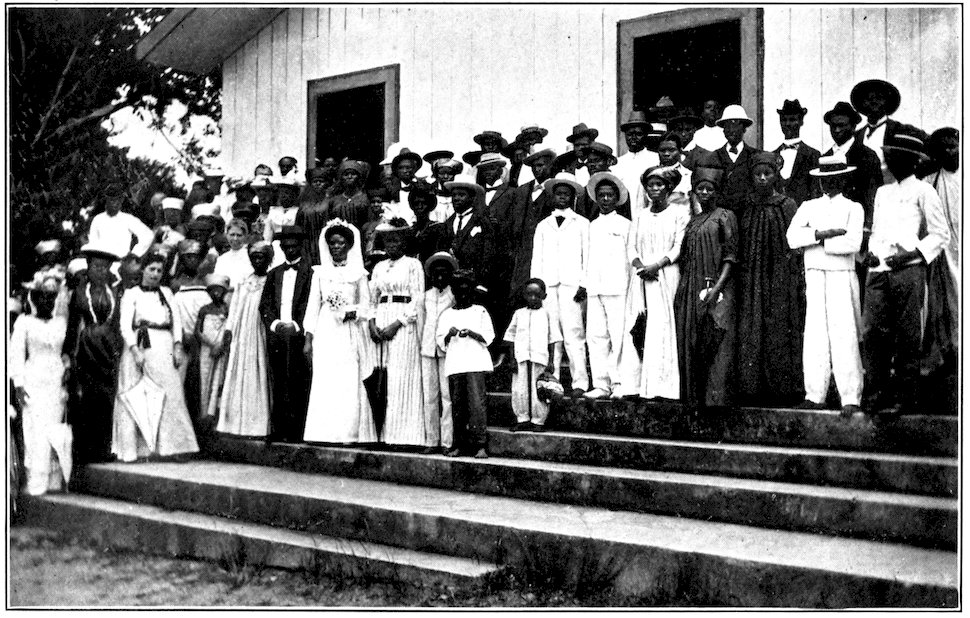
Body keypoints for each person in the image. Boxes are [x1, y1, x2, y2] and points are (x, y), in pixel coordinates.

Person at [860, 132, 949, 417]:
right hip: (878, 271)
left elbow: (940, 234)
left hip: (907, 270)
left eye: (895, 157)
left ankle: (904, 397)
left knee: (907, 334)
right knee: (873, 332)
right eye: (888, 156)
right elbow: (877, 230)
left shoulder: (924, 191)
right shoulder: (883, 192)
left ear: (911, 161)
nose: (889, 162)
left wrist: (910, 255)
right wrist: (870, 253)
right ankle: (876, 393)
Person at [785, 155, 865, 417]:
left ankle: (850, 396)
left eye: (834, 179)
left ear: (843, 179)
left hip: (842, 273)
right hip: (815, 273)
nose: (829, 184)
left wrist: (815, 240)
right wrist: (823, 234)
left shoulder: (854, 208)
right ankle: (815, 394)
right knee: (815, 334)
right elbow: (792, 237)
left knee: (844, 332)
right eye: (824, 180)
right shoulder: (808, 206)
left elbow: (853, 243)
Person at [111, 252, 199, 462]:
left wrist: (177, 346)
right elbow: (125, 325)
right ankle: (136, 450)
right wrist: (135, 350)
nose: (155, 274)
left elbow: (176, 321)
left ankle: (174, 447)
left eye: (159, 270)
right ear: (143, 270)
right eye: (151, 269)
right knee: (136, 395)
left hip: (163, 344)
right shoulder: (131, 294)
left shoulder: (166, 293)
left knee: (171, 393)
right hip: (139, 345)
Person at [736, 152, 805, 406]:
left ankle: (782, 389)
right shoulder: (747, 205)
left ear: (776, 175)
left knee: (778, 324)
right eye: (758, 174)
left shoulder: (787, 204)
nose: (763, 178)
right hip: (752, 276)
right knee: (752, 324)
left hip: (779, 275)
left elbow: (795, 244)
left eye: (768, 173)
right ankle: (751, 388)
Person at [302, 220, 378, 444]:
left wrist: (350, 313)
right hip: (326, 329)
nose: (336, 247)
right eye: (332, 243)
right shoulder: (320, 273)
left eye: (341, 243)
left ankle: (348, 433)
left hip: (349, 330)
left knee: (347, 379)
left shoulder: (359, 274)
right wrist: (308, 338)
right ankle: (323, 433)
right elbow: (312, 307)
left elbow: (367, 306)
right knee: (326, 378)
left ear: (349, 245)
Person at [619, 166, 689, 400]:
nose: (654, 189)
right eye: (650, 185)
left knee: (662, 328)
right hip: (641, 277)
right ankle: (636, 385)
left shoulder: (679, 213)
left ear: (668, 188)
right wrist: (641, 266)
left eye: (659, 185)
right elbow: (631, 246)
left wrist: (656, 266)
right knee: (638, 325)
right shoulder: (640, 215)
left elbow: (678, 247)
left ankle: (663, 388)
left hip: (665, 275)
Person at [674, 167, 738, 409]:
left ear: (717, 192)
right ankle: (695, 402)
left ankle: (716, 402)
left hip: (717, 286)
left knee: (717, 339)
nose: (704, 193)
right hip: (691, 287)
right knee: (693, 342)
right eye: (699, 189)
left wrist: (717, 288)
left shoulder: (725, 216)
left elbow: (730, 257)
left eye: (709, 189)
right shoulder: (693, 221)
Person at [62, 241, 124, 464]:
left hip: (109, 347)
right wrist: (68, 352)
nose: (101, 271)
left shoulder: (114, 293)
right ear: (88, 267)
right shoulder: (80, 292)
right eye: (97, 267)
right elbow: (72, 325)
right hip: (87, 347)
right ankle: (84, 451)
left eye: (105, 267)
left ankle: (103, 448)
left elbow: (117, 322)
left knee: (107, 398)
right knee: (87, 397)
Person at [10, 274, 71, 495]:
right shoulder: (24, 322)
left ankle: (54, 480)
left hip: (55, 380)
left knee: (54, 428)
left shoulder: (61, 322)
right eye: (43, 297)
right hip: (33, 379)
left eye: (51, 297)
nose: (48, 301)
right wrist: (18, 384)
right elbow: (16, 354)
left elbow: (66, 351)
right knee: (35, 429)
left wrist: (67, 368)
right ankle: (36, 481)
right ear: (34, 299)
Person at [531, 172, 590, 397]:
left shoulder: (582, 223)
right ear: (552, 196)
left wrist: (583, 283)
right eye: (559, 194)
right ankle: (551, 379)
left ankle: (580, 381)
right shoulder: (543, 225)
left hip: (572, 285)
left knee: (574, 333)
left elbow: (587, 255)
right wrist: (537, 286)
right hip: (548, 286)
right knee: (551, 334)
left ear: (573, 197)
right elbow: (537, 258)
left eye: (567, 194)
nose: (562, 197)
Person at [369, 219, 427, 446]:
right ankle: (383, 435)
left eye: (396, 240)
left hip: (403, 322)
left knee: (402, 377)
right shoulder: (379, 267)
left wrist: (397, 323)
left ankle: (405, 436)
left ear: (404, 242)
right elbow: (371, 298)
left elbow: (418, 299)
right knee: (383, 376)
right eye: (388, 241)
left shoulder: (413, 264)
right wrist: (372, 323)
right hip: (381, 320)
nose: (391, 245)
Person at [259, 225, 313, 442]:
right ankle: (280, 429)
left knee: (298, 380)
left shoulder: (311, 272)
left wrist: (297, 326)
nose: (290, 250)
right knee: (278, 379)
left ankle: (297, 431)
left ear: (301, 246)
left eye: (294, 246)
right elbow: (265, 304)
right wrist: (275, 324)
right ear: (281, 247)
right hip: (278, 334)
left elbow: (311, 303)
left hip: (299, 334)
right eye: (286, 247)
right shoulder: (274, 273)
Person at [216, 242, 274, 436]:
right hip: (242, 332)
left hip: (260, 330)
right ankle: (235, 424)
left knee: (259, 370)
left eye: (261, 257)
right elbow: (234, 307)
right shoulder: (243, 280)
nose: (257, 261)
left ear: (268, 259)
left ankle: (257, 425)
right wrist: (229, 329)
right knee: (239, 369)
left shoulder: (271, 279)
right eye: (254, 257)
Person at [436, 269, 495, 459]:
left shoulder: (480, 311)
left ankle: (480, 445)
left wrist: (472, 333)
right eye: (458, 290)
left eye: (466, 290)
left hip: (475, 363)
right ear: (453, 292)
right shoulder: (446, 315)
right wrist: (449, 334)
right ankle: (459, 444)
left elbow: (489, 336)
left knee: (477, 405)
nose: (463, 294)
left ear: (471, 290)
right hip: (456, 364)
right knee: (458, 406)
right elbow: (441, 342)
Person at [583, 172, 632, 399]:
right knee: (596, 337)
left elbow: (630, 259)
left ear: (616, 198)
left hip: (618, 287)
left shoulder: (626, 225)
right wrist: (586, 284)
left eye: (609, 195)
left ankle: (619, 382)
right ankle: (601, 384)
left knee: (618, 336)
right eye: (601, 195)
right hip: (595, 288)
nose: (605, 199)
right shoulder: (591, 225)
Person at [922, 128, 960, 388]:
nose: (950, 152)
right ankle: (950, 354)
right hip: (945, 254)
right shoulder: (931, 181)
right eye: (943, 148)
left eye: (953, 146)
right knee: (945, 305)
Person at [503, 278, 561, 430]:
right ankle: (522, 419)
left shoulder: (547, 315)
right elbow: (511, 337)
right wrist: (512, 358)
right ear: (524, 295)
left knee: (539, 389)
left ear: (544, 296)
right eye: (529, 294)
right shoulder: (519, 314)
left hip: (540, 357)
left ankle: (538, 420)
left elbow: (552, 339)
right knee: (519, 388)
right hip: (521, 357)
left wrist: (551, 361)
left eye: (537, 295)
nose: (533, 298)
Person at [851, 79, 929, 183]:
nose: (874, 102)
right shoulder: (856, 136)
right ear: (862, 104)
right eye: (869, 99)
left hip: (892, 188)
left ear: (887, 103)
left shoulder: (901, 130)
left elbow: (931, 147)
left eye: (879, 98)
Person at [820, 102, 883, 231]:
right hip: (829, 227)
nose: (836, 130)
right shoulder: (825, 158)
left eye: (841, 125)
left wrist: (867, 227)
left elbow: (873, 197)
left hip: (858, 227)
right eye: (833, 126)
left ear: (853, 126)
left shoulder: (867, 156)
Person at [419, 252, 458, 452]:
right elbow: (421, 322)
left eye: (444, 273)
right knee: (429, 397)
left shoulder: (453, 296)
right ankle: (431, 440)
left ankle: (447, 441)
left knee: (447, 396)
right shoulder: (425, 296)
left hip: (447, 351)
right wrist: (422, 345)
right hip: (427, 350)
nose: (440, 277)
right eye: (436, 274)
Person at [170, 240, 211, 423]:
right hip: (183, 337)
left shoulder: (207, 282)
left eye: (196, 257)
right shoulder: (175, 283)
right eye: (188, 257)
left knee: (202, 381)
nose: (192, 261)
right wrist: (180, 335)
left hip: (203, 339)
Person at [508, 149, 556, 304]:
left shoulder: (556, 190)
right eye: (534, 166)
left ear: (550, 166)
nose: (537, 169)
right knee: (520, 292)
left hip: (546, 250)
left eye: (541, 165)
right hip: (523, 251)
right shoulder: (522, 191)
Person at [194, 274, 230, 430]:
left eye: (219, 290)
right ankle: (203, 414)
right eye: (213, 290)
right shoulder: (204, 310)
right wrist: (210, 344)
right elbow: (197, 331)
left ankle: (214, 415)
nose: (216, 293)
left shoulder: (227, 309)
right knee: (205, 378)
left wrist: (221, 346)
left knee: (219, 379)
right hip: (206, 349)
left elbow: (230, 330)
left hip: (221, 349)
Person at [712, 104, 762, 213]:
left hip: (748, 215)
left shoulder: (755, 156)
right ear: (723, 130)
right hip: (722, 216)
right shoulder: (714, 156)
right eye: (727, 125)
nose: (731, 130)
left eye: (735, 125)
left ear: (744, 128)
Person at [88, 183, 154, 263]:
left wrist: (135, 254)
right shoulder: (98, 219)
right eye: (112, 200)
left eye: (118, 200)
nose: (115, 203)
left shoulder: (128, 219)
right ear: (106, 200)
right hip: (103, 262)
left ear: (122, 200)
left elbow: (148, 235)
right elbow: (93, 242)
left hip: (121, 262)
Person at [772, 99, 821, 208]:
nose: (787, 124)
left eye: (792, 119)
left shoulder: (812, 155)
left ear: (801, 121)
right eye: (784, 120)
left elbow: (816, 192)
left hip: (803, 214)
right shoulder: (771, 156)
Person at [613, 110, 659, 209]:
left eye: (638, 134)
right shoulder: (618, 163)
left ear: (645, 135)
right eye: (630, 134)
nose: (633, 138)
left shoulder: (655, 159)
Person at [295, 167, 332, 265]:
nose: (318, 184)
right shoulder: (304, 205)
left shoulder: (330, 203)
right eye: (315, 181)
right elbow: (298, 225)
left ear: (326, 184)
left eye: (321, 181)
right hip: (308, 243)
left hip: (325, 241)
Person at [325, 160, 371, 232]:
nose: (349, 177)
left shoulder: (366, 199)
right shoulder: (334, 201)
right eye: (346, 174)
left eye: (353, 174)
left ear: (358, 176)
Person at [408, 185, 447, 266]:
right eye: (416, 203)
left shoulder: (438, 228)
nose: (420, 207)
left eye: (424, 203)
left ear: (430, 206)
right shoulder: (411, 230)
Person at [213, 218, 255, 292]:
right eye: (232, 235)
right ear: (227, 235)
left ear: (245, 236)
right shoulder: (222, 259)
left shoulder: (251, 257)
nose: (235, 238)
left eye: (239, 235)